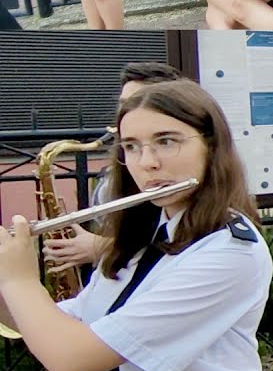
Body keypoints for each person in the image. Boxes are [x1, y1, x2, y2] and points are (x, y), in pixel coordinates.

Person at [0, 78, 273, 371]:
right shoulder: (143, 235)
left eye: (167, 141)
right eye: (131, 146)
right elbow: (68, 321)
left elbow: (70, 360)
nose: (147, 162)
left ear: (211, 146)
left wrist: (19, 280)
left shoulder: (230, 252)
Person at [44, 62, 187, 277]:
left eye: (137, 103)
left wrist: (103, 247)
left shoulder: (173, 167)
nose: (125, 115)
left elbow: (184, 242)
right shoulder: (120, 163)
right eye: (123, 105)